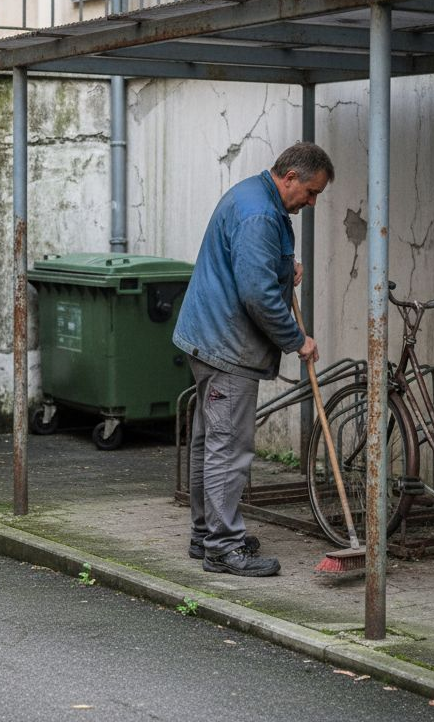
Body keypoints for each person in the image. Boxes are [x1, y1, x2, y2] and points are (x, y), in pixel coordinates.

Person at [173, 142, 334, 576]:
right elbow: (257, 295)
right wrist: (296, 339)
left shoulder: (254, 196)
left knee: (210, 442)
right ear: (291, 178)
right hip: (228, 346)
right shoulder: (261, 214)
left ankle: (206, 534)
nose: (312, 203)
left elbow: (252, 265)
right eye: (312, 192)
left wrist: (284, 268)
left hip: (209, 337)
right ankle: (223, 548)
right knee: (228, 447)